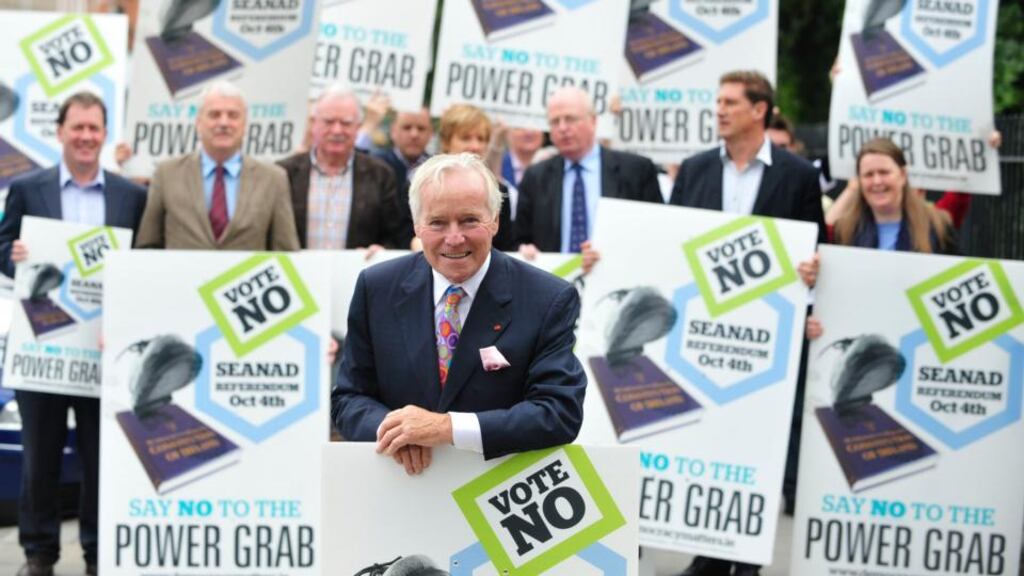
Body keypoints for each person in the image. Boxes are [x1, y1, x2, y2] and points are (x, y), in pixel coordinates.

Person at [331, 153, 586, 475]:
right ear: (417, 226)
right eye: (437, 222)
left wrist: (446, 428)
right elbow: (350, 398)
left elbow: (558, 413)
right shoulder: (377, 287)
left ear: (494, 219)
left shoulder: (547, 298)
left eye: (469, 220)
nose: (454, 238)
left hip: (498, 499)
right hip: (403, 491)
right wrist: (398, 430)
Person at [669, 70, 824, 576]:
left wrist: (810, 270)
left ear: (760, 110)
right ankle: (709, 554)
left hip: (767, 337)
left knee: (757, 441)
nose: (719, 109)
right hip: (703, 329)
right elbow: (671, 246)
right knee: (709, 435)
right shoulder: (693, 170)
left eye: (730, 101)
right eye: (717, 100)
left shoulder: (798, 175)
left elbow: (815, 248)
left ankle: (747, 556)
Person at [0, 91, 147, 576]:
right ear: (60, 131)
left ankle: (97, 554)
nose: (86, 137)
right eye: (77, 127)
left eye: (94, 128)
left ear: (105, 134)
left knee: (100, 458)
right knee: (39, 457)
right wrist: (14, 255)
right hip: (42, 348)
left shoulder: (131, 195)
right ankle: (38, 554)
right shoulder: (26, 187)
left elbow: (144, 261)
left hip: (104, 350)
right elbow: (3, 246)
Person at [806, 137, 958, 339]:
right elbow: (827, 294)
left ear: (902, 175)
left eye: (884, 172)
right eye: (868, 175)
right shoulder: (845, 231)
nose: (877, 181)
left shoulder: (937, 226)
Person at [134, 81, 299, 250]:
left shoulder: (273, 179)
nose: (224, 123)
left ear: (245, 124)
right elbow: (148, 245)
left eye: (233, 115)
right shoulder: (166, 174)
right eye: (214, 115)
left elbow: (285, 251)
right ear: (198, 122)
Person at [516, 86, 663, 255]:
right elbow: (518, 239)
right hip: (555, 277)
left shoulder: (636, 171)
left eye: (570, 119)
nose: (562, 128)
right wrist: (524, 250)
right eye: (555, 121)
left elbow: (655, 233)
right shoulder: (535, 177)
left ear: (593, 121)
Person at [278, 85, 409, 252]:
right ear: (314, 124)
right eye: (329, 121)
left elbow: (395, 236)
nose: (337, 130)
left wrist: (382, 250)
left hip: (356, 274)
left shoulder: (380, 175)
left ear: (358, 127)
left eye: (346, 123)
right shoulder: (284, 173)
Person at [435, 104, 516, 250]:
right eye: (466, 138)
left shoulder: (499, 192)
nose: (475, 146)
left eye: (481, 139)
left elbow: (505, 248)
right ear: (446, 142)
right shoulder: (422, 186)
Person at [375, 107, 433, 185]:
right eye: (407, 128)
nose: (414, 134)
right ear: (393, 131)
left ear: (430, 134)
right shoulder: (376, 165)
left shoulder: (436, 170)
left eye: (421, 128)